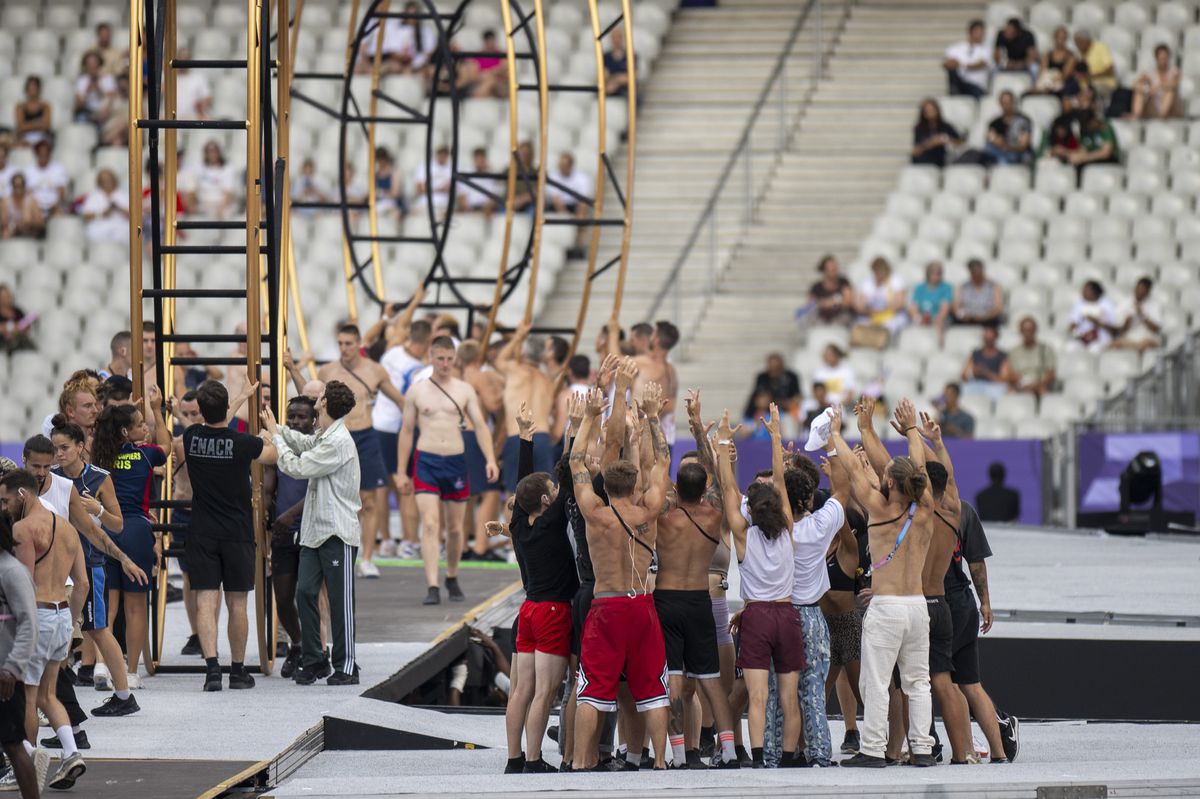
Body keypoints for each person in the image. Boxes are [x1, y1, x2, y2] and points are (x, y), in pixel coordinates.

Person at [569, 386, 672, 771]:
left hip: (606, 604)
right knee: (653, 690)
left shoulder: (594, 512)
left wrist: (590, 417)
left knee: (591, 690)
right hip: (641, 605)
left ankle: (581, 762)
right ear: (634, 486)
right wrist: (651, 418)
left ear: (606, 486)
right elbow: (661, 463)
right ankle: (660, 761)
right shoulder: (648, 511)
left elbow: (577, 460)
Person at [830, 401, 937, 768]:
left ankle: (873, 750)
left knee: (876, 682)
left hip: (887, 605)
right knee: (918, 681)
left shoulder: (878, 507)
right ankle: (922, 748)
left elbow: (853, 470)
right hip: (917, 606)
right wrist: (911, 432)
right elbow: (918, 470)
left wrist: (837, 433)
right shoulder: (924, 512)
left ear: (889, 482)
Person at [865, 406, 973, 764]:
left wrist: (871, 431)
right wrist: (927, 438)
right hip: (939, 602)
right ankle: (958, 751)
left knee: (891, 685)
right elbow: (937, 477)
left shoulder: (901, 512)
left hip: (904, 601)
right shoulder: (948, 508)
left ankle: (885, 749)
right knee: (941, 685)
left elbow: (894, 473)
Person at [487, 403, 578, 773]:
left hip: (527, 612)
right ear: (546, 500)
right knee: (545, 692)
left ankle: (513, 758)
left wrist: (526, 437)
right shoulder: (550, 523)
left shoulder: (520, 524)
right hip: (555, 611)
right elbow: (569, 472)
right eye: (552, 490)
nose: (557, 491)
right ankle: (535, 758)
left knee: (520, 690)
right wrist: (575, 428)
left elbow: (522, 484)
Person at [653, 398, 739, 769]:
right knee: (710, 681)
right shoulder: (713, 514)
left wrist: (653, 420)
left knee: (673, 678)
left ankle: (676, 753)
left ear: (676, 489)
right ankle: (730, 750)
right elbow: (718, 475)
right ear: (705, 490)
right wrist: (700, 429)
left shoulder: (665, 515)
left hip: (666, 599)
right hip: (700, 599)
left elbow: (655, 470)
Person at [713, 404, 800, 768]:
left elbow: (728, 486)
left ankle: (762, 758)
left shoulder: (744, 536)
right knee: (789, 698)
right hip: (787, 612)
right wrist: (777, 436)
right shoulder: (790, 530)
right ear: (780, 507)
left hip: (758, 616)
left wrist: (722, 444)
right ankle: (791, 758)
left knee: (758, 696)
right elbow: (780, 480)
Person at [180, 380, 277, 692]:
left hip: (203, 530)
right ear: (226, 410)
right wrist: (271, 431)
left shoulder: (192, 437)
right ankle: (237, 670)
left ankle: (212, 670)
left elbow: (212, 421)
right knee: (238, 603)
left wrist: (240, 398)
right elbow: (274, 456)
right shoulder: (243, 442)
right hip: (236, 531)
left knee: (206, 600)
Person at [264, 381, 363, 686]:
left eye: (320, 397)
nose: (315, 399)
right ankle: (314, 659)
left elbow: (298, 466)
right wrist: (278, 429)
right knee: (304, 592)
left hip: (337, 531)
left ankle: (347, 665)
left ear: (325, 404)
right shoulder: (326, 434)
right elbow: (305, 444)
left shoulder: (338, 442)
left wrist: (277, 440)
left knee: (339, 601)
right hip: (313, 531)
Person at [0, 470, 89, 790]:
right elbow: (82, 584)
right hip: (63, 614)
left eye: (6, 500)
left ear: (22, 496)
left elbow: (20, 582)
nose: (4, 507)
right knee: (49, 695)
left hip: (35, 617)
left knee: (27, 696)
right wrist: (73, 625)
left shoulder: (24, 529)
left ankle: (25, 760)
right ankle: (72, 751)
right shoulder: (67, 529)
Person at [48, 423, 141, 717]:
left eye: (64, 448)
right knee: (64, 631)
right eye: (56, 449)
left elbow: (118, 524)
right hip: (58, 565)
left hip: (90, 562)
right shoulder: (51, 478)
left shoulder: (99, 478)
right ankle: (57, 699)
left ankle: (124, 694)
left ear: (80, 446)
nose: (59, 454)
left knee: (98, 629)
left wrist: (97, 510)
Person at [396, 336, 498, 605]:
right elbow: (406, 431)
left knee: (454, 528)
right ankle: (432, 584)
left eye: (449, 359)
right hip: (426, 459)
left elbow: (481, 425)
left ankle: (451, 575)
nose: (444, 364)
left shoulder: (464, 390)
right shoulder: (417, 391)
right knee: (430, 524)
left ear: (455, 360)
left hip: (455, 461)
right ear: (431, 358)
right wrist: (401, 471)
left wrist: (490, 459)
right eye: (439, 358)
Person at [768, 448, 848, 768]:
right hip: (813, 615)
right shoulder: (819, 526)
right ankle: (819, 753)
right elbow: (843, 490)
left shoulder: (773, 531)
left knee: (777, 691)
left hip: (782, 614)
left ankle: (774, 753)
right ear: (810, 499)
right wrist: (833, 451)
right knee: (813, 690)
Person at [90, 395, 171, 686]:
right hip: (135, 530)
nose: (145, 428)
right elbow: (168, 447)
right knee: (135, 607)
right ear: (125, 432)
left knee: (107, 605)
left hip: (104, 529)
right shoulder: (147, 454)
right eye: (139, 425)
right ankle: (132, 672)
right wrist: (157, 412)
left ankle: (101, 665)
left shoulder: (98, 458)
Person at [317, 324, 404, 578]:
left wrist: (411, 428)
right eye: (341, 344)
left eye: (349, 343)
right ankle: (342, 554)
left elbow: (400, 400)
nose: (344, 349)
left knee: (369, 501)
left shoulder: (374, 370)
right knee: (341, 501)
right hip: (338, 436)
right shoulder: (328, 370)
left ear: (359, 344)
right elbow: (312, 399)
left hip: (365, 436)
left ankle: (367, 558)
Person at [944, 501, 1020, 762]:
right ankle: (999, 752)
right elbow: (976, 562)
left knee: (945, 683)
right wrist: (984, 602)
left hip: (944, 605)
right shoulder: (963, 509)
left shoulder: (921, 508)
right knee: (970, 684)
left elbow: (976, 561)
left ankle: (964, 750)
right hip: (965, 602)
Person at [265, 397, 319, 679]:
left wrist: (288, 516)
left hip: (311, 531)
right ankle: (297, 645)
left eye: (302, 417)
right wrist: (265, 518)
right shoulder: (280, 446)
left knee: (307, 594)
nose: (296, 422)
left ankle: (315, 652)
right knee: (283, 598)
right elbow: (268, 486)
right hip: (284, 533)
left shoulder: (319, 447)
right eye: (292, 417)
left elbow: (315, 490)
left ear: (313, 420)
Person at [0, 512, 40, 798]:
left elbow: (29, 623)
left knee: (13, 744)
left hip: (5, 677)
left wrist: (12, 669)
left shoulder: (12, 571)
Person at [496, 324, 556, 497]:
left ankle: (512, 525)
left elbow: (500, 359)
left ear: (522, 353)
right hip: (542, 436)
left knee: (514, 496)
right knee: (544, 495)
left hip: (518, 435)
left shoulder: (514, 370)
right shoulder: (546, 380)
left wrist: (517, 337)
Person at [180, 140, 237, 219]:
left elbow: (229, 193)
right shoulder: (197, 167)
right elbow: (191, 190)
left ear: (219, 152)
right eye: (209, 151)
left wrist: (218, 211)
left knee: (226, 212)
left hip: (220, 205)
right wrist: (191, 206)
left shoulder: (227, 168)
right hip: (202, 204)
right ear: (205, 153)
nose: (212, 154)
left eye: (214, 151)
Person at [855, 257, 908, 335]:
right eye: (876, 271)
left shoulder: (895, 280)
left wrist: (883, 310)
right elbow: (860, 307)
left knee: (893, 324)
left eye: (881, 271)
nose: (879, 274)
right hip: (872, 316)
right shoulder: (867, 282)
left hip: (891, 316)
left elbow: (899, 304)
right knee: (859, 324)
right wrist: (870, 311)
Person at [961, 324, 1013, 401]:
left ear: (996, 338)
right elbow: (964, 376)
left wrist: (986, 373)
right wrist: (973, 372)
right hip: (976, 384)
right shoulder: (975, 354)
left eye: (990, 339)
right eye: (986, 338)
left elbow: (1004, 379)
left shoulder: (1002, 356)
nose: (988, 341)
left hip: (993, 386)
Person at [1008, 317, 1057, 396]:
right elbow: (1012, 373)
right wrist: (1023, 385)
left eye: (1031, 330)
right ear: (1021, 331)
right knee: (1009, 394)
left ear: (1035, 330)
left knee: (1043, 393)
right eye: (1025, 330)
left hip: (1040, 384)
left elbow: (1051, 373)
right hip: (1021, 384)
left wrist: (1038, 385)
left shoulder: (1046, 349)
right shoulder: (1014, 351)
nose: (1028, 333)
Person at [1112, 277, 1162, 353]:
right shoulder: (1124, 302)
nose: (1139, 292)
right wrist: (1127, 322)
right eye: (1138, 288)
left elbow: (1156, 329)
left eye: (1143, 290)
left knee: (1145, 345)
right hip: (1129, 339)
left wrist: (1142, 315)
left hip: (1148, 339)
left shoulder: (1155, 305)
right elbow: (1119, 331)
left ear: (1148, 292)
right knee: (1112, 346)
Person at [745, 353, 801, 420]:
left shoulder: (791, 377)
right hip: (766, 412)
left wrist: (782, 403)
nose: (773, 372)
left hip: (786, 412)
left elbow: (797, 398)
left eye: (776, 368)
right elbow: (759, 400)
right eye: (771, 368)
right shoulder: (762, 377)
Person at [943, 19, 991, 98]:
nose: (982, 34)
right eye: (979, 31)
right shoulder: (956, 48)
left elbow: (980, 64)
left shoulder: (986, 50)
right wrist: (953, 64)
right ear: (970, 32)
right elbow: (946, 63)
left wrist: (960, 64)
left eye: (983, 32)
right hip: (960, 83)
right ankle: (954, 91)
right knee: (951, 70)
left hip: (977, 87)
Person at [1131, 45, 1180, 120]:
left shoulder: (1174, 72)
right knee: (1139, 93)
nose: (1164, 61)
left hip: (1170, 108)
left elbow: (1173, 84)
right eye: (1161, 59)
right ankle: (1136, 116)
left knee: (1169, 92)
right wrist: (1147, 89)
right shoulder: (1150, 73)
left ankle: (1162, 116)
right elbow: (1135, 84)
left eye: (1165, 58)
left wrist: (1157, 87)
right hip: (1154, 106)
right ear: (1156, 58)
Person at [81, 168, 130, 243]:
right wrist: (101, 213)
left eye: (109, 180)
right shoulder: (94, 196)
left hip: (121, 228)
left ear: (114, 180)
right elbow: (86, 215)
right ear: (100, 182)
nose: (107, 183)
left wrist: (119, 208)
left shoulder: (123, 195)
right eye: (104, 181)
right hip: (99, 227)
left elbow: (135, 216)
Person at [984, 90, 1033, 166]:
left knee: (1006, 158)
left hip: (1017, 153)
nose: (1006, 105)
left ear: (1014, 103)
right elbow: (990, 138)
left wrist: (1006, 146)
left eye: (1008, 102)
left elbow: (1023, 146)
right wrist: (996, 141)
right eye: (1004, 103)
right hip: (1000, 153)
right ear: (1000, 104)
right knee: (988, 149)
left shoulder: (1023, 121)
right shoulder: (994, 123)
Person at [1068, 280, 1119, 352]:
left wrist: (1096, 322)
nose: (1082, 292)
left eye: (1086, 290)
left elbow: (1114, 329)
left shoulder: (1107, 304)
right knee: (1070, 347)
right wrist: (1078, 333)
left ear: (1094, 292)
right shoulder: (1079, 304)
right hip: (1083, 338)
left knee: (1094, 349)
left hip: (1100, 339)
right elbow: (1072, 324)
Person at [908, 262, 954, 338]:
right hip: (922, 317)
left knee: (940, 323)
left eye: (939, 274)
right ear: (928, 274)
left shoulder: (946, 288)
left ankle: (939, 345)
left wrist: (936, 319)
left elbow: (945, 309)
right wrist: (918, 318)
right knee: (911, 322)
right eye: (934, 273)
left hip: (938, 318)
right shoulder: (919, 288)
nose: (936, 276)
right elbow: (913, 306)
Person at [73, 50, 117, 128]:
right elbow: (79, 105)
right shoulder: (81, 80)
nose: (92, 66)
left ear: (99, 64)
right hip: (87, 113)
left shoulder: (108, 78)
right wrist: (87, 90)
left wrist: (99, 88)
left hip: (104, 113)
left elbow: (111, 99)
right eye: (89, 63)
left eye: (94, 63)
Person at [911, 99, 961, 168]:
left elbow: (959, 141)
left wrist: (945, 140)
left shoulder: (945, 126)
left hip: (941, 157)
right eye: (927, 111)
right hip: (924, 159)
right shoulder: (919, 128)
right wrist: (930, 143)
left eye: (932, 110)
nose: (930, 112)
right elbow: (915, 150)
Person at [953, 259, 1004, 325]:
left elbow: (998, 307)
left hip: (988, 319)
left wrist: (985, 316)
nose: (976, 274)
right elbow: (956, 307)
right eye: (973, 271)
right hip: (967, 319)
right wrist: (964, 316)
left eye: (978, 270)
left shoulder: (994, 287)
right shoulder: (963, 287)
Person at [807, 255, 854, 326]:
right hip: (821, 319)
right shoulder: (816, 287)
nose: (835, 271)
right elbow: (810, 304)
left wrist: (830, 303)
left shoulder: (843, 282)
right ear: (825, 271)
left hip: (840, 318)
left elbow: (848, 301)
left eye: (835, 268)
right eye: (832, 269)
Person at [1034, 27, 1077, 95]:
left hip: (1061, 85)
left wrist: (1051, 83)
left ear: (1066, 39)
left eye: (1063, 38)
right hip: (1047, 82)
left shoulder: (1071, 56)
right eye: (1059, 37)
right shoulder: (1048, 54)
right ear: (1054, 38)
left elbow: (1065, 76)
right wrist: (1046, 83)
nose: (1060, 40)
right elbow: (1042, 73)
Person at [1073, 30, 1116, 97]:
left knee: (1088, 93)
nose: (1078, 46)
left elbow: (1110, 71)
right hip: (1083, 85)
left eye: (1080, 42)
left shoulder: (1100, 48)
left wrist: (1090, 76)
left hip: (1103, 83)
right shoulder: (1078, 54)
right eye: (1076, 43)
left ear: (1087, 40)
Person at [0, 175, 44, 239]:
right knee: (5, 233)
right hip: (11, 233)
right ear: (12, 186)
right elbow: (3, 222)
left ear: (24, 186)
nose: (18, 188)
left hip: (28, 232)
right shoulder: (5, 202)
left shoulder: (31, 202)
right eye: (16, 186)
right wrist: (14, 226)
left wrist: (28, 223)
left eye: (20, 186)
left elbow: (40, 223)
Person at [13, 76, 52, 146]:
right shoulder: (20, 107)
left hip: (42, 138)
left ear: (39, 89)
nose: (32, 89)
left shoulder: (46, 106)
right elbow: (20, 127)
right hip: (25, 138)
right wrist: (37, 124)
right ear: (26, 89)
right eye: (30, 87)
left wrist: (28, 125)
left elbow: (46, 126)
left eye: (35, 87)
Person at [0, 285, 33, 354]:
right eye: (5, 296)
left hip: (19, 343)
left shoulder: (17, 310)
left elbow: (27, 325)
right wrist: (17, 326)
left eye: (9, 295)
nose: (9, 298)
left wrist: (8, 328)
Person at [603, 28, 631, 97]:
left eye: (618, 37)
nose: (616, 40)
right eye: (614, 37)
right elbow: (604, 75)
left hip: (625, 90)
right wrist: (619, 78)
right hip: (609, 87)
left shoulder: (630, 56)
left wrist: (615, 82)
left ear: (622, 38)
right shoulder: (606, 56)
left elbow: (630, 78)